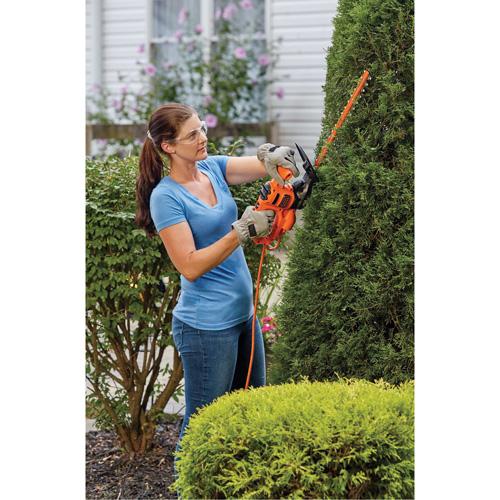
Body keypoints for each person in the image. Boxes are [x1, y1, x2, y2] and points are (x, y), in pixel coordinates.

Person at [135, 103, 299, 478]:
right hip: (207, 327)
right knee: (202, 425)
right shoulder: (166, 197)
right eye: (192, 134)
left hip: (244, 317)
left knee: (251, 411)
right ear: (168, 146)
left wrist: (274, 158)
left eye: (202, 129)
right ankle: (188, 488)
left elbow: (261, 166)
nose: (202, 138)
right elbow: (189, 265)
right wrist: (240, 232)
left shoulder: (211, 168)